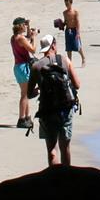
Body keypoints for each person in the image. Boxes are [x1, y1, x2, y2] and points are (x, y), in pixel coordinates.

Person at [28, 34, 81, 167]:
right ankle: (67, 179)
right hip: (65, 109)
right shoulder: (65, 60)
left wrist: (40, 89)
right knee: (65, 148)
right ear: (53, 45)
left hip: (47, 110)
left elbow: (29, 94)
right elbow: (77, 85)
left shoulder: (36, 66)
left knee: (52, 150)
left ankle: (54, 180)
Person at [11, 17, 36, 129]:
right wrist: (34, 37)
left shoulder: (14, 38)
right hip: (23, 67)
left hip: (18, 67)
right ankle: (21, 118)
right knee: (25, 94)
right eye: (24, 25)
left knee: (26, 93)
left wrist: (29, 28)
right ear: (21, 26)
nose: (26, 26)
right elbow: (33, 49)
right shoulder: (21, 39)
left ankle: (27, 117)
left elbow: (27, 38)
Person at [61, 0, 85, 67]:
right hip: (68, 30)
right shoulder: (64, 13)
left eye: (67, 4)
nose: (66, 5)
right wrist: (62, 24)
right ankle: (70, 64)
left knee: (77, 46)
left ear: (71, 3)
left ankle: (83, 58)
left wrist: (78, 33)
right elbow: (65, 22)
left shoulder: (75, 12)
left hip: (74, 30)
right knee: (68, 48)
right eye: (65, 4)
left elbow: (77, 23)